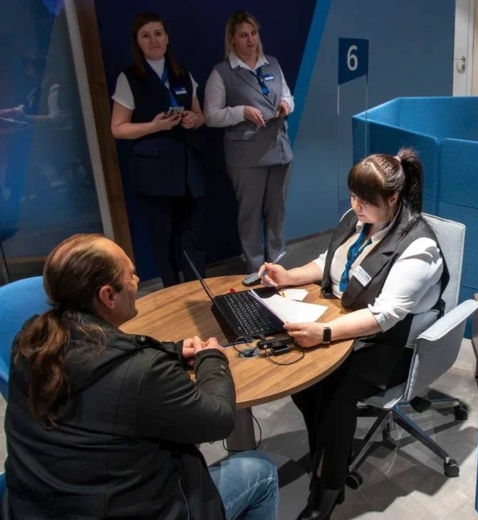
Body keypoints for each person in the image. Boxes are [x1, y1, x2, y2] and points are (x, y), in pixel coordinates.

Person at [3, 234, 279, 519]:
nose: (137, 281)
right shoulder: (143, 372)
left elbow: (106, 360)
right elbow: (218, 420)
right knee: (260, 471)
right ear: (108, 296)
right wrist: (213, 359)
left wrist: (172, 351)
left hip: (33, 509)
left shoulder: (31, 342)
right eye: (131, 275)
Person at [260, 148, 448, 520]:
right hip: (346, 324)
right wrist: (289, 276)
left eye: (365, 200)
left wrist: (324, 333)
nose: (355, 206)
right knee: (302, 380)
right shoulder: (357, 219)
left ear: (393, 198)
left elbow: (385, 315)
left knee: (333, 392)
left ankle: (328, 489)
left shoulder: (419, 248)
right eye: (352, 196)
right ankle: (327, 453)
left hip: (392, 345)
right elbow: (331, 261)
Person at [111, 12, 206, 288]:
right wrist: (154, 126)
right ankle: (172, 293)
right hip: (155, 172)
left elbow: (200, 115)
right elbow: (118, 128)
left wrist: (193, 119)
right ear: (138, 42)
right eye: (146, 35)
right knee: (163, 238)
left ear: (167, 38)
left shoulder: (182, 73)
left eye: (158, 33)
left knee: (192, 236)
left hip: (187, 168)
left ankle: (197, 290)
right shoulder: (129, 78)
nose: (153, 40)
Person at [205, 10, 295, 274]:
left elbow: (289, 96)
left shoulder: (272, 64)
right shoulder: (222, 73)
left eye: (253, 33)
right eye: (243, 35)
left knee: (277, 212)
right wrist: (241, 112)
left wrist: (285, 105)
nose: (250, 40)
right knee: (250, 214)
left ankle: (277, 264)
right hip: (246, 156)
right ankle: (256, 268)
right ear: (232, 39)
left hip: (279, 150)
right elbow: (210, 115)